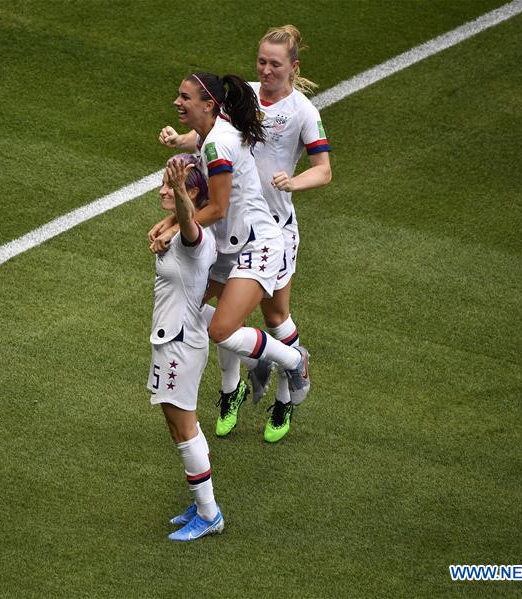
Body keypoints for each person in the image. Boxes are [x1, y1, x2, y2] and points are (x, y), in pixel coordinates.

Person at [155, 26, 331, 442]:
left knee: (270, 317)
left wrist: (292, 182)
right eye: (261, 62)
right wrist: (179, 139)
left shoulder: (302, 111)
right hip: (229, 227)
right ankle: (238, 382)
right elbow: (208, 134)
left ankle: (289, 372)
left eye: (275, 64)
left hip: (266, 230)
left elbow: (323, 170)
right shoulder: (240, 100)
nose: (266, 70)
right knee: (198, 310)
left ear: (293, 67)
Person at [148, 153, 223, 541]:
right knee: (178, 426)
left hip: (178, 343)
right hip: (174, 338)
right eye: (164, 183)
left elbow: (190, 223)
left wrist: (179, 195)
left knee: (184, 429)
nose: (163, 189)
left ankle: (209, 514)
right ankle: (202, 502)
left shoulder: (194, 237)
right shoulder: (178, 234)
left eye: (172, 184)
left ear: (192, 192)